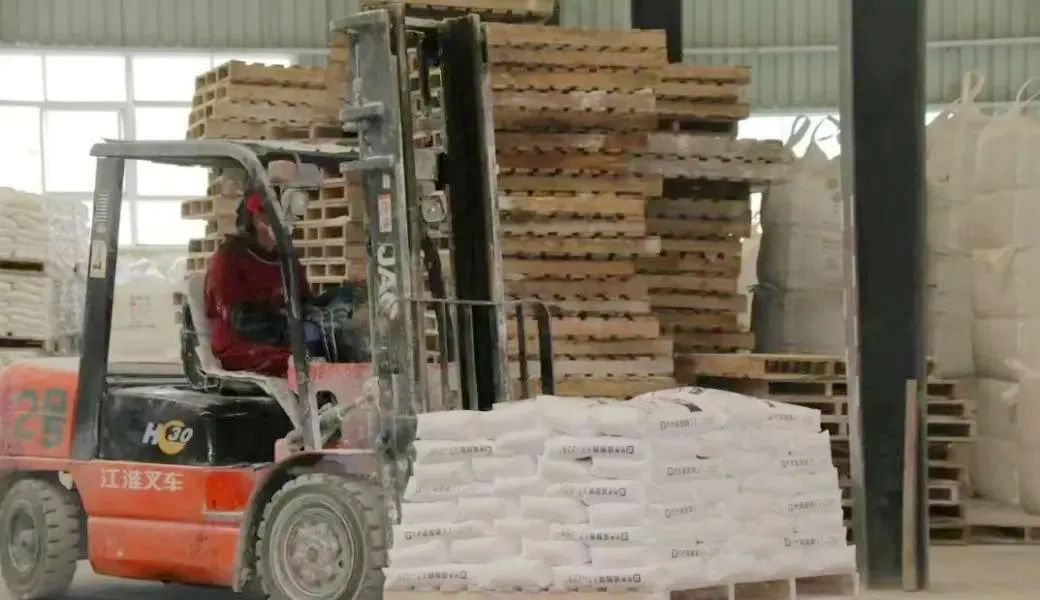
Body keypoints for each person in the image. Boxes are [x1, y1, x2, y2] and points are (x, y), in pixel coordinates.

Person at [204, 192, 369, 377]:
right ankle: (320, 390)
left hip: (283, 337)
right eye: (277, 216)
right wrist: (290, 327)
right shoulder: (230, 258)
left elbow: (304, 304)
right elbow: (239, 320)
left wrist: (342, 296)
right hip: (242, 345)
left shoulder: (284, 258)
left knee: (345, 338)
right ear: (257, 219)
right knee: (313, 355)